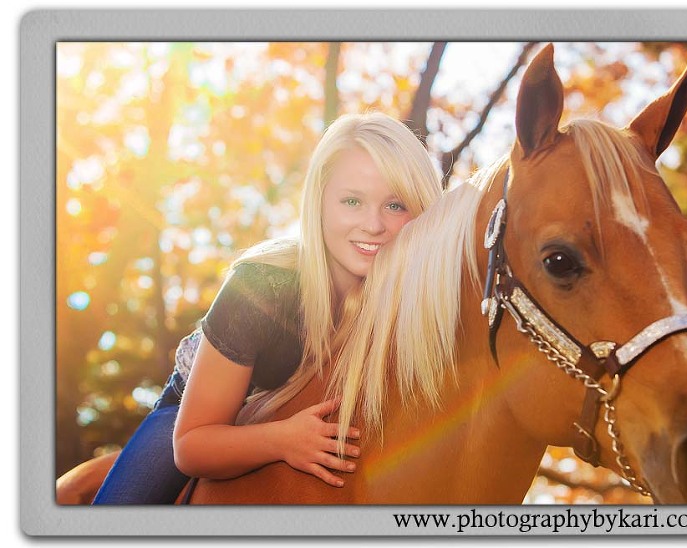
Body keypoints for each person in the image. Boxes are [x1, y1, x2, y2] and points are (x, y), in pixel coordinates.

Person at [92, 112, 442, 503]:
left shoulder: (418, 302)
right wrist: (282, 440)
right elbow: (190, 445)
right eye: (352, 201)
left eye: (395, 205)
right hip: (197, 418)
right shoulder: (261, 286)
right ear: (320, 203)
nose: (373, 225)